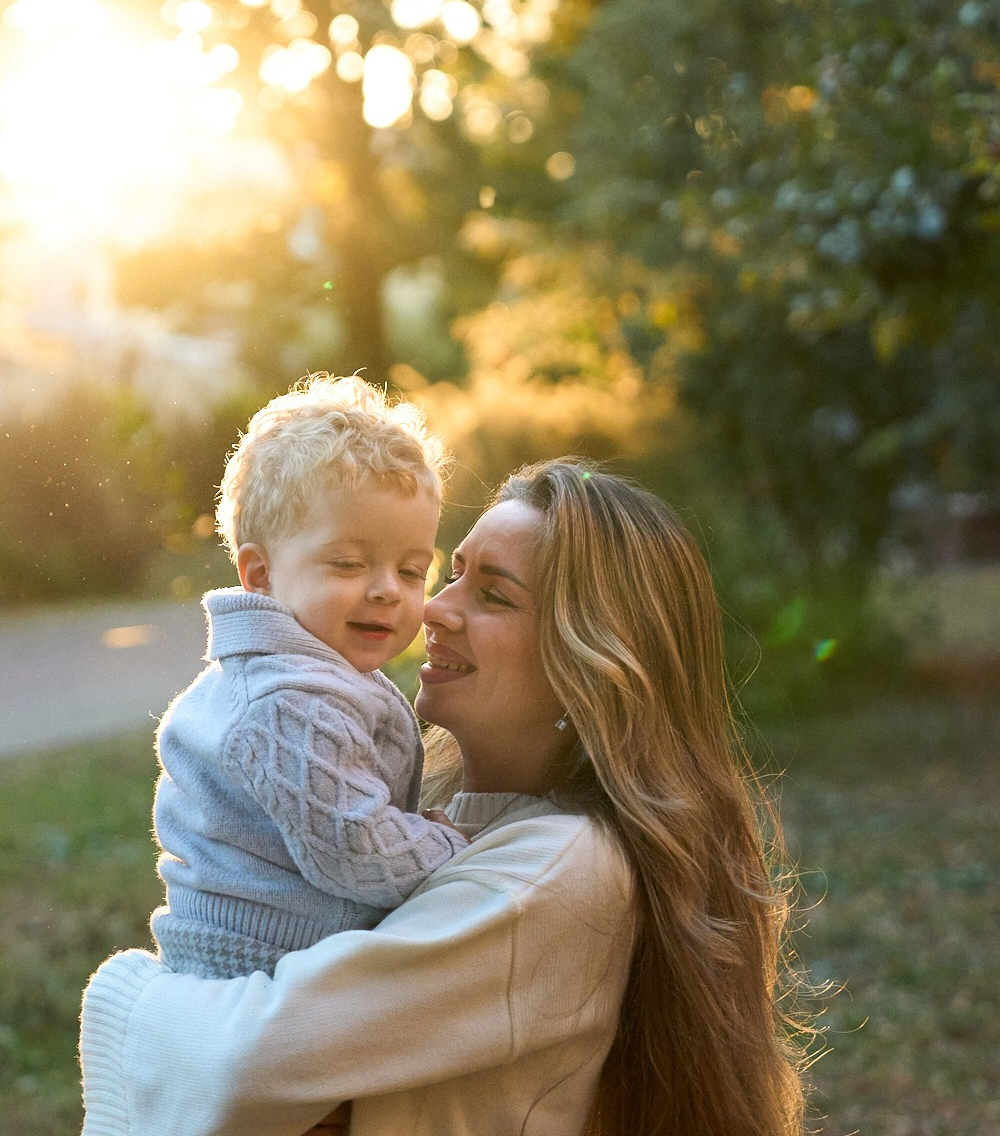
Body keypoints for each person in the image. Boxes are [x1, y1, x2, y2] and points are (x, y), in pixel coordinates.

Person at [80, 459, 807, 1136]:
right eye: (449, 574)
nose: (429, 609)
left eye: (492, 594)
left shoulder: (555, 872)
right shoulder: (434, 817)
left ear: (590, 660)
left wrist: (123, 993)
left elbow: (241, 1061)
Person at [148, 373, 467, 978]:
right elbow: (358, 853)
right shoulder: (288, 703)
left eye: (411, 569)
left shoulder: (308, 672)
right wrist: (454, 847)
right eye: (348, 563)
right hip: (261, 964)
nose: (385, 591)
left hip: (286, 953)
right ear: (260, 574)